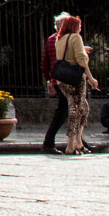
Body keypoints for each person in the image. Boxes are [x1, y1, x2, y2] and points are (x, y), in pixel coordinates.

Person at [52, 15, 95, 155]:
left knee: (83, 108)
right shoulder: (76, 38)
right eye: (79, 26)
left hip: (62, 80)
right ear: (74, 27)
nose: (80, 28)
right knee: (76, 109)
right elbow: (81, 61)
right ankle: (71, 145)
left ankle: (78, 142)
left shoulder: (59, 39)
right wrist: (91, 78)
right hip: (75, 79)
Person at [41, 11, 73, 154]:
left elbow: (45, 64)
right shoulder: (70, 40)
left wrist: (49, 80)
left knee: (69, 110)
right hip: (69, 79)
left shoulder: (50, 40)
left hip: (57, 79)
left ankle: (77, 141)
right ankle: (48, 142)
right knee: (65, 111)